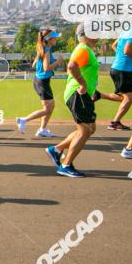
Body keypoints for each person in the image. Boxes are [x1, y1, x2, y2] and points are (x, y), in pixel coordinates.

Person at [45, 24, 102, 178]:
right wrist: (83, 84)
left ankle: (56, 149)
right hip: (78, 94)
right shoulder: (83, 48)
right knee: (84, 131)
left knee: (90, 129)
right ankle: (66, 165)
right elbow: (72, 66)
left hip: (82, 95)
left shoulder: (86, 49)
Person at [17, 29, 62, 138]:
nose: (56, 39)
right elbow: (46, 68)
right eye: (54, 37)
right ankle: (23, 120)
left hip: (40, 81)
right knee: (47, 109)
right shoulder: (46, 51)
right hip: (42, 83)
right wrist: (57, 62)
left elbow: (33, 65)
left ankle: (42, 129)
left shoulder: (43, 49)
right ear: (49, 39)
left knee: (50, 107)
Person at [108, 32, 132, 131]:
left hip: (120, 68)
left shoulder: (126, 32)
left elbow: (114, 45)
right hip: (122, 70)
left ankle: (99, 95)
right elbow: (127, 50)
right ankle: (115, 122)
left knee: (125, 97)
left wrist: (122, 58)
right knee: (128, 98)